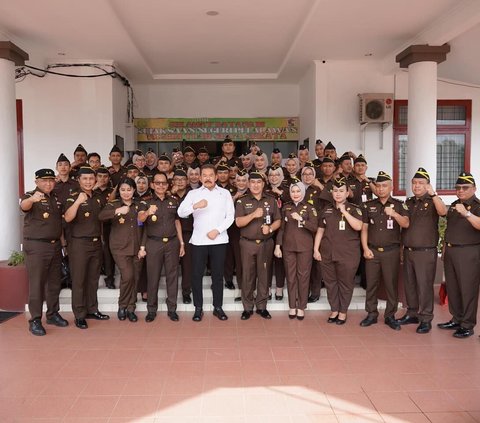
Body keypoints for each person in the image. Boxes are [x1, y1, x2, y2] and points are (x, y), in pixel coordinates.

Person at [177, 164, 235, 322]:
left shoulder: (225, 193)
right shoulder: (193, 194)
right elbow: (180, 212)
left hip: (219, 240)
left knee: (217, 275)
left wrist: (217, 230)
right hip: (198, 241)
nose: (208, 178)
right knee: (196, 275)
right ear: (200, 177)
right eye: (205, 175)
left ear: (216, 177)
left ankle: (218, 307)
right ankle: (198, 308)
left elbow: (230, 216)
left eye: (211, 175)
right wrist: (195, 205)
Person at [398, 168, 447, 334]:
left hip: (425, 252)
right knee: (410, 285)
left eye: (421, 183)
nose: (417, 186)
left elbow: (443, 212)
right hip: (408, 250)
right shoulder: (409, 202)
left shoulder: (433, 200)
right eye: (414, 183)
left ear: (427, 185)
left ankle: (426, 318)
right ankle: (412, 313)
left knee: (425, 286)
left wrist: (433, 194)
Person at [21, 168, 68, 336]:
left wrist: (63, 246)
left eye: (50, 180)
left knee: (54, 283)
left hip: (55, 246)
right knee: (37, 284)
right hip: (36, 247)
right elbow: (23, 206)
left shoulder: (55, 198)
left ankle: (52, 314)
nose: (48, 184)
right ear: (37, 182)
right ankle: (34, 320)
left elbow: (59, 224)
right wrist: (32, 199)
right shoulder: (30, 195)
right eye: (44, 181)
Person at [360, 171, 409, 331]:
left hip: (391, 252)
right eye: (379, 186)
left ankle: (390, 315)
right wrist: (365, 248)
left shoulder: (399, 204)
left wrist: (394, 214)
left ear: (391, 187)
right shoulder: (369, 205)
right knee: (371, 284)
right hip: (372, 251)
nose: (381, 189)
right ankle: (371, 314)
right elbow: (364, 229)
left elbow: (406, 224)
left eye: (384, 186)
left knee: (390, 284)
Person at [64, 166, 110, 329]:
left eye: (91, 179)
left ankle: (92, 309)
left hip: (96, 243)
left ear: (95, 180)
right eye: (85, 179)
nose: (88, 182)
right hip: (79, 244)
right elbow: (68, 218)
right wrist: (78, 202)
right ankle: (79, 314)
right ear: (79, 180)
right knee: (79, 280)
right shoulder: (73, 197)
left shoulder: (98, 197)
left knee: (92, 279)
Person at [314, 177, 363, 324]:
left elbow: (359, 227)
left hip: (348, 255)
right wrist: (316, 249)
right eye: (335, 191)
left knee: (345, 284)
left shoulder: (354, 209)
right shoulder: (326, 210)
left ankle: (343, 312)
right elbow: (320, 231)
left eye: (341, 191)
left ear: (347, 193)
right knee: (330, 283)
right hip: (328, 253)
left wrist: (345, 212)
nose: (338, 194)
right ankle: (334, 309)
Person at [138, 172, 185, 322]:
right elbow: (140, 219)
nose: (160, 186)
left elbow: (177, 222)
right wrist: (147, 212)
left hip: (172, 242)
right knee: (153, 277)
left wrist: (182, 242)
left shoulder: (174, 200)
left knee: (172, 276)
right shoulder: (145, 201)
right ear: (152, 185)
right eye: (157, 183)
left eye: (163, 183)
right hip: (153, 243)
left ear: (167, 185)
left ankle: (172, 308)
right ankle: (151, 309)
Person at [437, 172, 480, 338]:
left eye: (465, 187)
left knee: (467, 289)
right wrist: (445, 249)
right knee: (453, 287)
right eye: (458, 187)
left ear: (474, 188)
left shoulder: (477, 206)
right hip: (452, 251)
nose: (460, 190)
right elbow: (449, 229)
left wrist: (467, 214)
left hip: (469, 252)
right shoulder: (454, 205)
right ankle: (457, 318)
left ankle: (467, 324)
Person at [235, 172, 281, 320]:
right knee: (247, 276)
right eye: (252, 182)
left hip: (266, 244)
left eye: (258, 182)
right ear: (248, 184)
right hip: (247, 243)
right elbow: (238, 223)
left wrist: (271, 229)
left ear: (263, 184)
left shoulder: (271, 200)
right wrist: (253, 215)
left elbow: (278, 220)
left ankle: (262, 307)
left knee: (264, 275)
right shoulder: (242, 201)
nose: (255, 185)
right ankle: (247, 308)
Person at [99, 177, 143, 322]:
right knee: (128, 275)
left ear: (134, 190)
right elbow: (101, 216)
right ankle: (122, 305)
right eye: (123, 190)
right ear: (119, 191)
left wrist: (142, 247)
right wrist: (118, 210)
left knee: (135, 278)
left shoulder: (139, 205)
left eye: (129, 190)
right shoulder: (113, 204)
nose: (126, 193)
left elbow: (145, 227)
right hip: (119, 247)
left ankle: (131, 308)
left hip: (136, 247)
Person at [274, 181, 317, 320]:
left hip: (305, 247)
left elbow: (315, 227)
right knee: (291, 277)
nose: (295, 194)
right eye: (293, 191)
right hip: (288, 247)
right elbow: (281, 229)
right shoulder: (286, 207)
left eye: (298, 191)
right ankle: (292, 306)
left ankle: (301, 307)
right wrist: (277, 246)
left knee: (303, 277)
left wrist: (301, 220)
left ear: (302, 192)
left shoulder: (309, 207)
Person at [171, 168, 194, 304]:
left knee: (187, 266)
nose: (179, 182)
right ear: (172, 181)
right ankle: (172, 293)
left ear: (187, 181)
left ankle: (186, 292)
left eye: (182, 180)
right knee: (172, 266)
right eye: (176, 180)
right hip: (171, 235)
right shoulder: (168, 196)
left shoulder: (192, 195)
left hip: (188, 234)